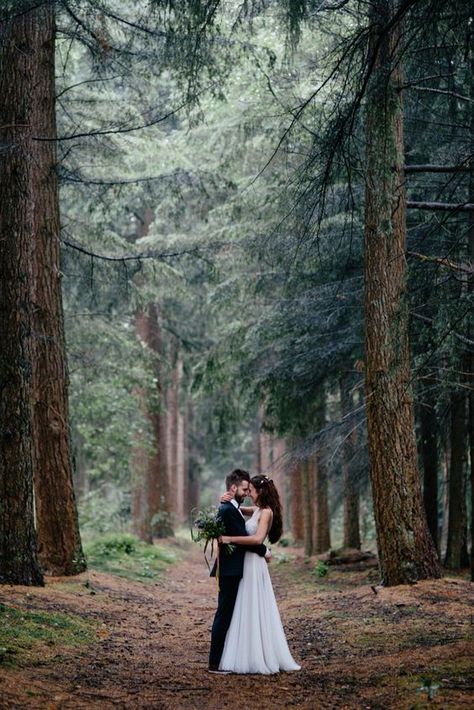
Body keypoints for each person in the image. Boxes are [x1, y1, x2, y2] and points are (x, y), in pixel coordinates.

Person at [217, 474, 301, 674]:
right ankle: (244, 652)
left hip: (254, 564)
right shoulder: (257, 510)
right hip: (246, 562)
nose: (248, 495)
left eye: (251, 491)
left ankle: (258, 655)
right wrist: (225, 499)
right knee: (244, 605)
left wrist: (229, 538)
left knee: (254, 604)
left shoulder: (267, 513)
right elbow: (236, 511)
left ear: (260, 491)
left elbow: (257, 539)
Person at [208, 469, 268, 673]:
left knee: (228, 614)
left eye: (249, 490)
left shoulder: (233, 507)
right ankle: (214, 664)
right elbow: (245, 539)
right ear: (233, 488)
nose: (247, 492)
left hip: (234, 569)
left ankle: (226, 658)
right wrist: (264, 550)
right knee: (223, 615)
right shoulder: (228, 509)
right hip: (230, 570)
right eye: (244, 489)